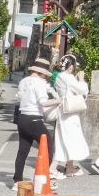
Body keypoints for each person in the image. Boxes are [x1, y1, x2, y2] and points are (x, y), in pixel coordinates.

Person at [12, 56, 62, 184]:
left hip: (22, 118)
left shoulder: (24, 81)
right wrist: (58, 101)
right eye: (44, 75)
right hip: (34, 118)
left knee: (23, 150)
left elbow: (19, 99)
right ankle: (44, 178)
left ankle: (17, 181)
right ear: (41, 73)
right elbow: (43, 103)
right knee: (48, 146)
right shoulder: (39, 83)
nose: (45, 77)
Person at [51, 54, 90, 177]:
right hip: (70, 114)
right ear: (71, 67)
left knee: (65, 139)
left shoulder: (58, 77)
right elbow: (83, 90)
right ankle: (52, 168)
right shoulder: (68, 77)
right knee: (68, 140)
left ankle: (70, 167)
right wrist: (82, 79)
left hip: (63, 112)